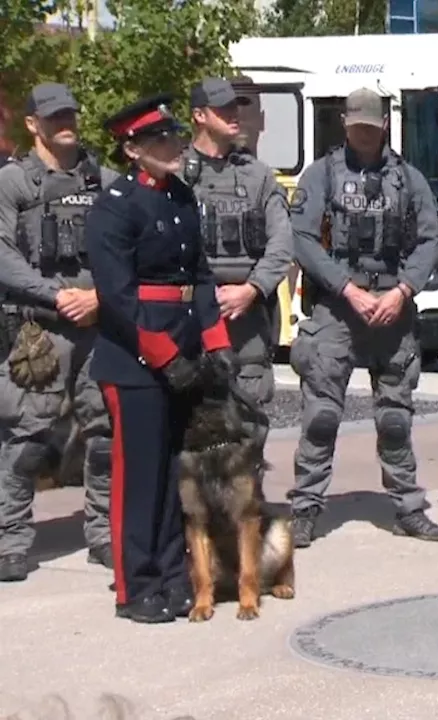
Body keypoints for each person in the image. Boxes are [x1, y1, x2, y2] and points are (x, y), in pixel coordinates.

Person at [86, 94, 238, 623]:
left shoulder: (180, 196)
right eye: (161, 140)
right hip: (134, 358)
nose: (174, 146)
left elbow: (198, 276)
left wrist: (216, 344)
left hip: (184, 347)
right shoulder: (114, 205)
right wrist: (163, 355)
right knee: (140, 474)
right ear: (132, 149)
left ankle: (174, 574)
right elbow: (119, 296)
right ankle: (136, 585)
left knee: (178, 471)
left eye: (174, 137)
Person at [287, 87, 438, 548]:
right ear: (344, 123)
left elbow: (428, 241)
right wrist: (346, 288)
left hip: (392, 311)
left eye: (370, 124)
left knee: (395, 420)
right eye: (355, 123)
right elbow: (301, 236)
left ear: (383, 124)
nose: (362, 131)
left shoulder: (409, 179)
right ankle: (305, 507)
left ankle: (407, 507)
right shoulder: (320, 174)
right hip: (338, 310)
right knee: (320, 417)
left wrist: (403, 290)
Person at [0, 82, 117, 583]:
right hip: (39, 331)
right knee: (26, 440)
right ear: (33, 124)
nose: (65, 122)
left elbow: (128, 252)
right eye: (54, 116)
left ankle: (104, 535)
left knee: (106, 436)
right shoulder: (14, 183)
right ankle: (12, 541)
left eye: (70, 113)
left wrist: (100, 298)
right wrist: (54, 295)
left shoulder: (105, 181)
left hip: (98, 327)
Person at [182, 77, 294, 454]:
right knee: (189, 420)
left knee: (249, 418)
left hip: (247, 315)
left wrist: (252, 289)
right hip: (190, 314)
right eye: (223, 109)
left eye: (236, 107)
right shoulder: (176, 174)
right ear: (199, 115)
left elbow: (283, 243)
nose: (234, 115)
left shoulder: (258, 175)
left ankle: (246, 510)